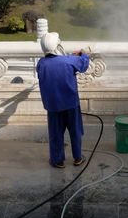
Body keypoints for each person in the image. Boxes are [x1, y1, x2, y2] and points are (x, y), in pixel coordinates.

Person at [37, 32, 90, 168]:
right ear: (57, 45)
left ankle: (57, 160)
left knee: (55, 134)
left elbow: (55, 64)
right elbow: (83, 65)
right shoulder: (69, 60)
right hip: (71, 103)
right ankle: (78, 158)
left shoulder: (41, 64)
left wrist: (69, 57)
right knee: (75, 131)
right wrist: (82, 53)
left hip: (53, 105)